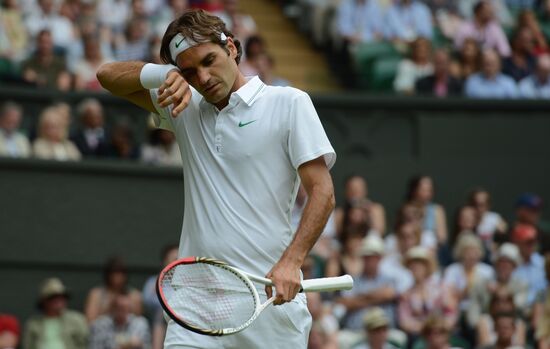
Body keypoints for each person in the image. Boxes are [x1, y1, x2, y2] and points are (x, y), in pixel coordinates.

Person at [97, 9, 336, 348]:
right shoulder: (184, 105)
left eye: (210, 60)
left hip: (270, 302)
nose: (204, 77)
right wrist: (165, 73)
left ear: (232, 48)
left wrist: (292, 262)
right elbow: (106, 75)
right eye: (191, 71)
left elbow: (323, 192)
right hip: (194, 302)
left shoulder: (289, 103)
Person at [336, 234, 398, 330]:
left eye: (373, 257)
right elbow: (346, 303)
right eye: (367, 256)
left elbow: (388, 294)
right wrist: (377, 297)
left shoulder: (389, 279)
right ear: (363, 258)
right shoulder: (352, 280)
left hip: (384, 334)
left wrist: (358, 299)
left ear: (379, 258)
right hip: (355, 332)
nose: (370, 260)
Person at [398, 246, 457, 342]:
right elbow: (404, 321)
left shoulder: (440, 287)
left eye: (419, 264)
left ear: (427, 267)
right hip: (419, 337)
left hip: (442, 334)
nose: (416, 267)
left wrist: (440, 327)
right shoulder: (406, 294)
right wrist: (425, 328)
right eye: (413, 265)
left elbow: (451, 313)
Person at [467, 243, 528, 328]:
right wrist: (478, 326)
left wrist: (501, 292)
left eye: (508, 263)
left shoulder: (521, 285)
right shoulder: (482, 284)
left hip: (511, 327)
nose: (504, 266)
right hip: (485, 328)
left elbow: (519, 303)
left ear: (514, 267)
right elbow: (473, 311)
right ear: (496, 264)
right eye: (501, 262)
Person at [23, 278, 88, 349]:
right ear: (44, 300)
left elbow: (86, 344)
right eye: (53, 297)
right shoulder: (33, 323)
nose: (58, 301)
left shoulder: (77, 319)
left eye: (62, 297)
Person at [85, 257, 143, 323]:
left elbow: (138, 322)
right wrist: (110, 308)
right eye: (114, 273)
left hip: (128, 331)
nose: (117, 277)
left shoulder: (135, 296)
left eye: (121, 273)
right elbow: (90, 321)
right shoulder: (96, 294)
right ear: (108, 274)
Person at [405, 175, 447, 244]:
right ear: (414, 190)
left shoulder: (437, 210)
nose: (426, 193)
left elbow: (442, 237)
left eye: (429, 190)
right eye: (423, 189)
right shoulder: (406, 209)